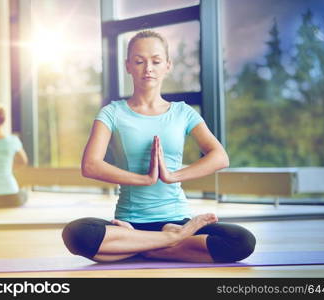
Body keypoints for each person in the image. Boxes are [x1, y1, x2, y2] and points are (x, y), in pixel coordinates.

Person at [62, 30, 256, 263]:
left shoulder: (183, 112)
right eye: (139, 61)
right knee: (76, 234)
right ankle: (172, 241)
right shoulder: (112, 113)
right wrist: (144, 179)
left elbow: (220, 157)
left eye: (156, 61)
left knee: (241, 240)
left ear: (167, 65)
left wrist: (173, 175)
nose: (148, 68)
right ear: (128, 66)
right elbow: (90, 166)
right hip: (128, 222)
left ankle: (145, 246)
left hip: (174, 219)